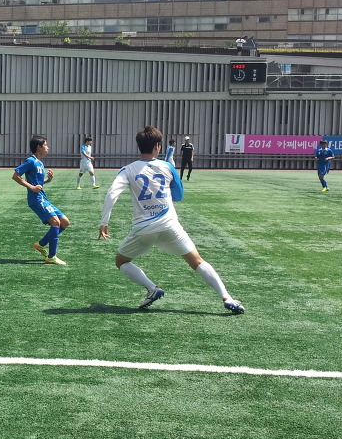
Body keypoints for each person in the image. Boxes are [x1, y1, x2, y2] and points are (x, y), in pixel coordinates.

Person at [98, 125, 244, 314]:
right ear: (158, 146)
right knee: (197, 261)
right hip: (170, 226)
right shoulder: (167, 166)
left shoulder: (127, 169)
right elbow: (179, 195)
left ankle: (152, 288)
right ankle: (227, 298)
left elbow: (112, 193)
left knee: (121, 261)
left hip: (143, 229)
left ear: (139, 146)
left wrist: (104, 222)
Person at [13, 135, 69, 266]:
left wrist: (47, 180)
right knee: (56, 222)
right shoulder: (31, 161)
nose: (48, 147)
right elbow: (15, 176)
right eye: (45, 145)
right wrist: (31, 187)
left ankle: (41, 244)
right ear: (39, 147)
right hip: (36, 199)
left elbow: (37, 182)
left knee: (65, 222)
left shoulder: (40, 163)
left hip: (43, 197)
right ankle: (51, 257)